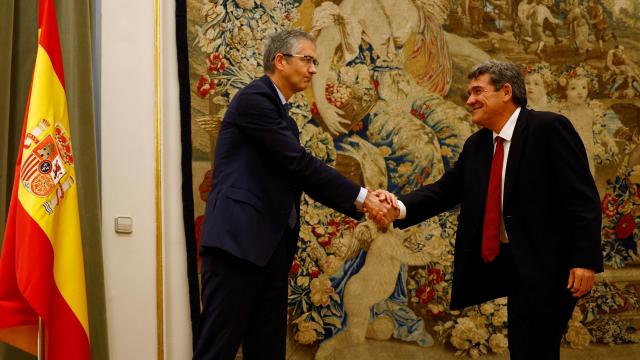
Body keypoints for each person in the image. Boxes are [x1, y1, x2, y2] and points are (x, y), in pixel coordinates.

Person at [193, 29, 396, 360]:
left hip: (270, 250)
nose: (315, 69)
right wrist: (363, 198)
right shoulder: (254, 100)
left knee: (268, 350)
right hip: (238, 246)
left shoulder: (283, 117)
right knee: (216, 349)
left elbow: (302, 175)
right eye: (308, 60)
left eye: (316, 62)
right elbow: (299, 163)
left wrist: (363, 199)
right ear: (280, 61)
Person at [380, 60, 604, 359]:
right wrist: (397, 207)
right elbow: (444, 191)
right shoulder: (478, 145)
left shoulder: (548, 128)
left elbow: (583, 199)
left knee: (533, 348)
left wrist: (584, 261)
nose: (469, 100)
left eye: (477, 91)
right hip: (515, 269)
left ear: (506, 92)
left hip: (552, 267)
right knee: (525, 349)